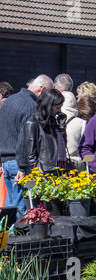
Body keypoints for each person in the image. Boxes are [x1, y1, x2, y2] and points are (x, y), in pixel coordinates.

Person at [0, 74, 53, 215]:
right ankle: (14, 235)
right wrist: (23, 167)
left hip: (7, 162)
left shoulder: (10, 100)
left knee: (10, 207)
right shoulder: (31, 106)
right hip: (19, 163)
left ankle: (7, 235)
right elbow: (25, 138)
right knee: (20, 209)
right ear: (41, 89)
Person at [24, 89, 68, 173]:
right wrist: (40, 174)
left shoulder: (53, 121)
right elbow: (31, 155)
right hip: (45, 170)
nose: (59, 111)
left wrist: (61, 128)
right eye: (57, 108)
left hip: (59, 168)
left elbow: (62, 145)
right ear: (48, 106)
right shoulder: (32, 123)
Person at [61, 91, 86, 171]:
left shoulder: (53, 119)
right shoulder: (81, 122)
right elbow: (84, 145)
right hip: (76, 164)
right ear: (74, 105)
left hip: (58, 163)